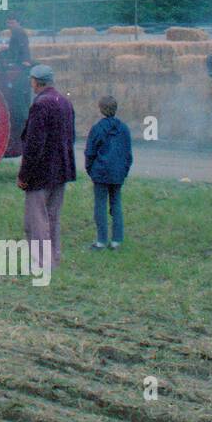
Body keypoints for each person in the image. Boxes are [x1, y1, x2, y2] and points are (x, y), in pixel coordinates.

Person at [17, 63, 75, 269]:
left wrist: (24, 175)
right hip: (62, 169)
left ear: (36, 82)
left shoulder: (40, 105)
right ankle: (54, 258)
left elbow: (34, 144)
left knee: (37, 219)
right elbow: (71, 138)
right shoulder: (65, 102)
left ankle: (41, 263)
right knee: (53, 216)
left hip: (41, 172)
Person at [84, 95, 132, 249]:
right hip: (117, 173)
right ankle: (117, 240)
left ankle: (101, 240)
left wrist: (91, 170)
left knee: (100, 206)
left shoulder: (97, 129)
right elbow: (128, 155)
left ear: (101, 109)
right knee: (116, 205)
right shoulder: (124, 129)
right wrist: (123, 172)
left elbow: (90, 152)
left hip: (100, 173)